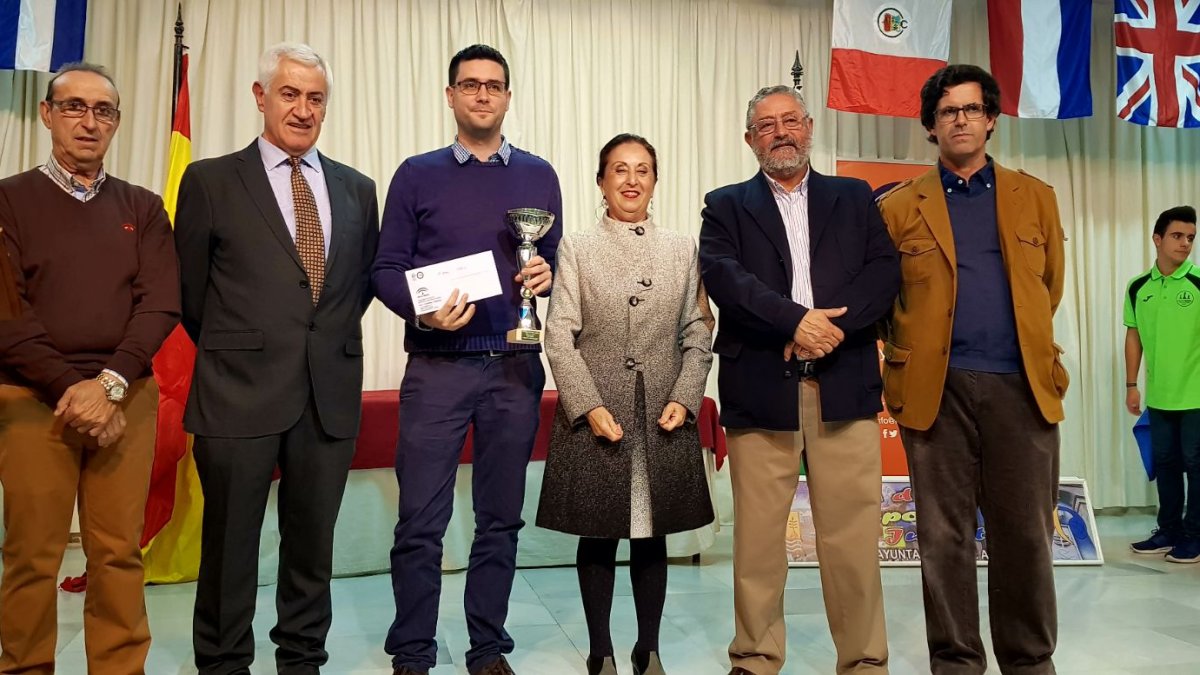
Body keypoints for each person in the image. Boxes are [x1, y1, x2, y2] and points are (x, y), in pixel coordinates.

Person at [173, 42, 380, 674]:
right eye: (289, 94)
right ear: (261, 97)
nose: (302, 108)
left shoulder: (358, 189)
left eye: (315, 98)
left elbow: (355, 289)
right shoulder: (210, 180)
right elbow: (191, 296)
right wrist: (251, 347)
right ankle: (224, 664)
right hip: (237, 393)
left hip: (328, 396)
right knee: (230, 549)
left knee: (311, 552)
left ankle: (301, 661)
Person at [372, 44, 563, 675]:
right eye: (470, 85)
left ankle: (487, 651)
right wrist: (420, 312)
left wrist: (547, 272)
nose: (482, 95)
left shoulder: (540, 176)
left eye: (494, 86)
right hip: (437, 368)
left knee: (500, 521)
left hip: (514, 370)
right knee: (420, 524)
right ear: (451, 95)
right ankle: (412, 654)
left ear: (508, 97)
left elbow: (557, 267)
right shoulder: (416, 173)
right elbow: (385, 268)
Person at [699, 85, 898, 675]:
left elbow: (883, 271)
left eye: (790, 121)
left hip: (844, 384)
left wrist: (830, 331)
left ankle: (864, 659)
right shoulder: (726, 205)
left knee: (853, 540)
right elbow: (725, 278)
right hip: (762, 387)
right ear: (749, 139)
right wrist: (795, 321)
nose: (780, 132)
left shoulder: (854, 197)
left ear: (809, 127)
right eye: (766, 125)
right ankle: (756, 655)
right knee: (758, 541)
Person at [877, 64, 1069, 675]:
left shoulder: (1035, 196)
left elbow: (1049, 287)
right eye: (946, 111)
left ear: (990, 120)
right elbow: (885, 305)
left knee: (1026, 538)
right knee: (942, 540)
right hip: (937, 393)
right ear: (930, 127)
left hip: (1022, 388)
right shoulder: (899, 206)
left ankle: (1029, 661)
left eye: (970, 109)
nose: (959, 119)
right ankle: (956, 662)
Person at [0, 62, 180, 673]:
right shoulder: (8, 199)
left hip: (125, 395)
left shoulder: (145, 207)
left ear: (117, 123)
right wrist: (70, 388)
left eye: (103, 110)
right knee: (31, 555)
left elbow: (160, 303)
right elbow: (6, 314)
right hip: (29, 398)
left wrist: (108, 385)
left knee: (117, 554)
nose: (89, 120)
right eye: (74, 106)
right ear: (48, 114)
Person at [537, 134, 714, 675]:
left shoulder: (683, 248)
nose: (632, 180)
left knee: (650, 532)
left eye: (642, 170)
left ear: (655, 182)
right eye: (619, 170)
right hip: (601, 411)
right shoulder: (577, 248)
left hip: (661, 409)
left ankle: (648, 649)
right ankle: (601, 652)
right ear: (601, 181)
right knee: (599, 531)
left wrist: (687, 395)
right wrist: (587, 405)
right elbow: (557, 335)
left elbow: (698, 329)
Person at [1124, 205, 1199, 563]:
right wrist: (1130, 385)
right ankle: (1168, 530)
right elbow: (1133, 336)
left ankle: (1195, 535)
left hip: (1196, 397)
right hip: (1160, 396)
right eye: (1177, 236)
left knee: (1196, 465)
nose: (1185, 243)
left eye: (1190, 238)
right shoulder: (1138, 286)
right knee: (1166, 464)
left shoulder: (1198, 282)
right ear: (1157, 239)